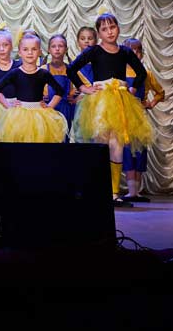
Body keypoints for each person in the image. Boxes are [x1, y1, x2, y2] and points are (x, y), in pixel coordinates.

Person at [67, 12, 154, 208]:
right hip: (101, 101)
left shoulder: (125, 52)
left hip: (120, 101)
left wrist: (132, 89)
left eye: (112, 27)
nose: (109, 32)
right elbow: (71, 69)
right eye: (104, 29)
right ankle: (99, 190)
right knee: (101, 144)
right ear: (99, 33)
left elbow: (141, 73)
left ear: (118, 28)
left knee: (117, 145)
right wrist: (83, 88)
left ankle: (113, 192)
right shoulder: (94, 51)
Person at [0, 33, 68, 142]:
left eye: (34, 49)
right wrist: (8, 105)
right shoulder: (15, 73)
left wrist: (50, 106)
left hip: (40, 115)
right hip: (19, 115)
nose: (30, 53)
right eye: (25, 49)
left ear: (40, 52)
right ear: (20, 52)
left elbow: (60, 91)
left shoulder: (43, 73)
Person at [121, 38, 165, 203]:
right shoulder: (120, 73)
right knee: (127, 151)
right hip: (124, 116)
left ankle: (136, 192)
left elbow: (160, 92)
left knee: (139, 151)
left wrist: (151, 103)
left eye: (138, 51)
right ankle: (131, 191)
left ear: (142, 54)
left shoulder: (146, 73)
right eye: (131, 51)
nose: (135, 54)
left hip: (140, 117)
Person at [42, 34, 77, 136]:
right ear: (49, 50)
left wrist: (75, 98)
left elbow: (84, 87)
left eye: (60, 46)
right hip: (47, 108)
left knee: (63, 137)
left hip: (65, 109)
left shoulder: (70, 70)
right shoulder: (43, 69)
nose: (57, 49)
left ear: (66, 49)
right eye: (53, 46)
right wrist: (40, 97)